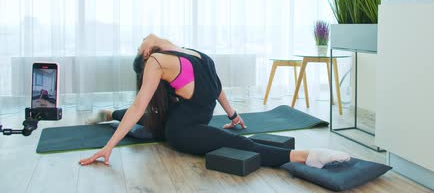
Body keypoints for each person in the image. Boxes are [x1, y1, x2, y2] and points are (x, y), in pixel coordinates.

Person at [79, 34, 350, 169]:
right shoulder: (163, 58)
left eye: (140, 49)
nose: (141, 43)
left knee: (153, 119)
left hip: (188, 119)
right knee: (236, 143)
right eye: (141, 49)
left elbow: (216, 86)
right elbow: (140, 105)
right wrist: (108, 147)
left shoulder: (179, 53)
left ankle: (109, 113)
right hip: (183, 130)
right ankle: (304, 157)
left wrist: (233, 115)